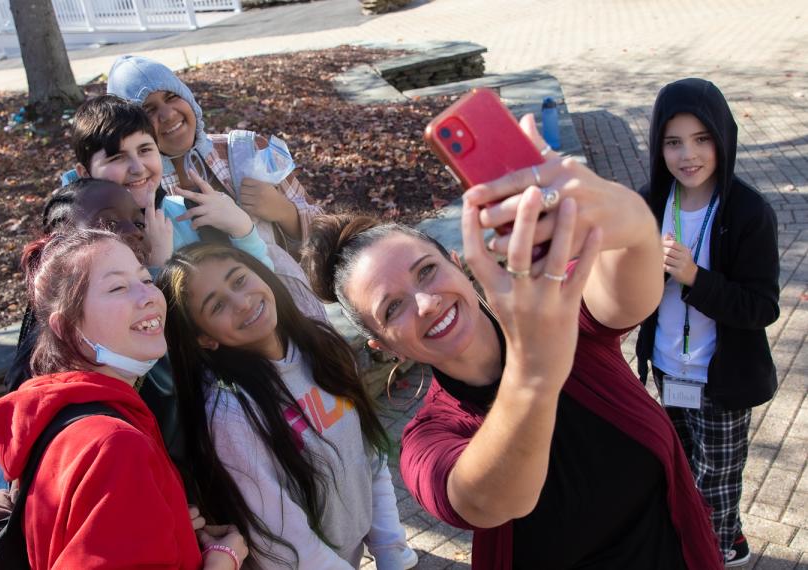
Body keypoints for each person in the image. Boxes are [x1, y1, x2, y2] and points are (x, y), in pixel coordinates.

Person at [300, 115, 724, 569]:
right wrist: (533, 374)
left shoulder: (554, 311)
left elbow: (629, 296)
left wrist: (631, 219)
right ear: (386, 348)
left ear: (456, 261)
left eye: (427, 271)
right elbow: (484, 501)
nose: (425, 303)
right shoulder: (428, 439)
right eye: (393, 308)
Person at [0, 228, 248, 569]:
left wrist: (163, 520)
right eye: (117, 287)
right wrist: (223, 560)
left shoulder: (62, 419)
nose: (148, 296)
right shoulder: (112, 446)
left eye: (145, 279)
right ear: (65, 328)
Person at [158, 243, 412, 569]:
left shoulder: (321, 348)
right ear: (205, 339)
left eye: (238, 280)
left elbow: (370, 459)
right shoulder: (231, 415)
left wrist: (393, 553)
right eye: (217, 305)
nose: (242, 302)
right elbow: (286, 541)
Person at [635, 78, 780, 567]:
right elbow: (628, 293)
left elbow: (762, 307)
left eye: (702, 139)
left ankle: (713, 553)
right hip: (667, 368)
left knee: (714, 485)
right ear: (659, 146)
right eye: (673, 142)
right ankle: (730, 541)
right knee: (680, 472)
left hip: (722, 381)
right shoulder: (650, 203)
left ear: (723, 138)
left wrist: (695, 277)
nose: (688, 155)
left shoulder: (748, 212)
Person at [71, 93, 326, 321]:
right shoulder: (87, 247)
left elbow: (259, 285)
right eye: (117, 157)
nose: (138, 168)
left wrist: (242, 230)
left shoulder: (189, 213)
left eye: (145, 150)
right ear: (84, 173)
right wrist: (159, 266)